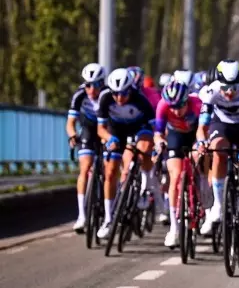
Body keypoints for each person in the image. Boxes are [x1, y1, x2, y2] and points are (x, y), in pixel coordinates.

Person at [95, 68, 156, 239]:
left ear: (131, 89)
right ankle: (108, 218)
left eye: (123, 94)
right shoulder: (106, 98)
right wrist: (108, 139)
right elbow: (100, 128)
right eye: (116, 94)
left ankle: (145, 187)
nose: (119, 98)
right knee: (110, 172)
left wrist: (155, 144)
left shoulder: (141, 101)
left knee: (143, 150)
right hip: (116, 131)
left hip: (139, 129)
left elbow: (154, 128)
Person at [196, 60, 239, 238]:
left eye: (234, 88)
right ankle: (218, 204)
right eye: (225, 87)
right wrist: (201, 142)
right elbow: (202, 127)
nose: (229, 92)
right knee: (218, 150)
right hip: (222, 126)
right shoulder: (211, 91)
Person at [154, 80, 203, 248]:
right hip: (176, 136)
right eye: (172, 106)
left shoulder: (197, 104)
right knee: (174, 177)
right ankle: (174, 228)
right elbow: (158, 133)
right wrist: (159, 141)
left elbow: (205, 129)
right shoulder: (162, 105)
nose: (175, 110)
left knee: (200, 158)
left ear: (186, 101)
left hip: (196, 134)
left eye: (180, 106)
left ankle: (204, 189)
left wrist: (200, 145)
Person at [67, 64, 107, 232]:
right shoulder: (79, 95)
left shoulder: (108, 95)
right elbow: (70, 123)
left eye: (96, 85)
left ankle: (112, 204)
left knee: (110, 169)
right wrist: (72, 135)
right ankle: (82, 216)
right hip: (89, 130)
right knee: (84, 168)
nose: (91, 89)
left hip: (106, 130)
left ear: (102, 83)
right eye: (88, 84)